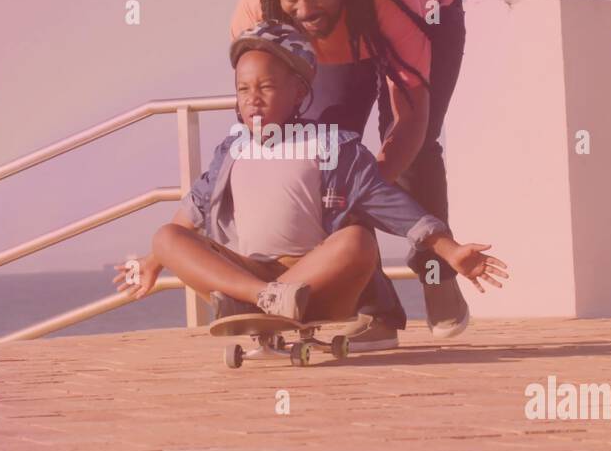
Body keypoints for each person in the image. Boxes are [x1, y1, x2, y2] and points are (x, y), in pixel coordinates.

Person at [115, 21, 505, 339]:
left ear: (299, 90)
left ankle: (269, 300)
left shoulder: (330, 144)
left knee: (357, 241)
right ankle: (264, 299)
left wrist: (449, 250)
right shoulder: (231, 150)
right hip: (249, 275)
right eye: (243, 89)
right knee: (166, 237)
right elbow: (193, 210)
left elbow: (388, 202)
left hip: (313, 284)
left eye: (266, 87)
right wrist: (153, 263)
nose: (253, 99)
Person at [230, 0, 469, 349]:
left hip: (427, 10)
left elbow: (409, 118)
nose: (303, 10)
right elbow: (266, 142)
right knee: (315, 162)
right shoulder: (255, 14)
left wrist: (365, 188)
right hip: (340, 40)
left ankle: (437, 272)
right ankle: (374, 311)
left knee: (415, 150)